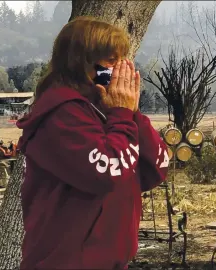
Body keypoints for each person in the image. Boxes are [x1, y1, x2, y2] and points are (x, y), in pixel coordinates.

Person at [16, 16, 169, 269]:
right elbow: (108, 174)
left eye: (122, 59)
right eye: (111, 60)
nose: (120, 69)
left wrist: (131, 113)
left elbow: (157, 166)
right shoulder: (61, 114)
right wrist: (122, 114)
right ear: (82, 62)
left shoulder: (105, 111)